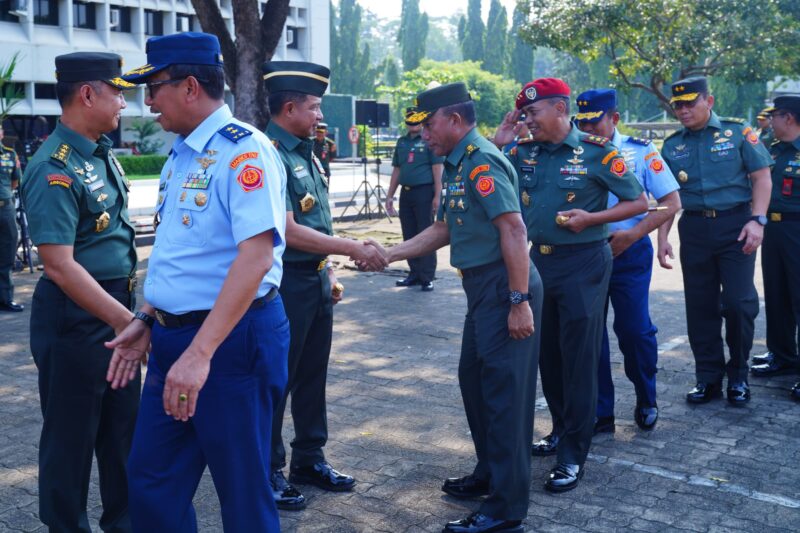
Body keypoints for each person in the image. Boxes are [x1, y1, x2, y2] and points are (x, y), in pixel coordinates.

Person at [107, 32, 290, 531]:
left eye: (155, 87)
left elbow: (255, 258)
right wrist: (147, 316)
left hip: (229, 344)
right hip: (173, 343)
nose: (148, 102)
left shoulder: (244, 153)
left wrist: (200, 353)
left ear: (190, 87)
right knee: (151, 485)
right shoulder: (181, 154)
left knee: (243, 492)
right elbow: (177, 254)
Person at [370, 82, 541, 533]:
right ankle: (490, 471)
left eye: (428, 125)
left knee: (505, 397)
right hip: (481, 290)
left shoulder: (482, 161)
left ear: (454, 120)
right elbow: (443, 227)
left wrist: (519, 301)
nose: (423, 133)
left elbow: (515, 230)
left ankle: (506, 508)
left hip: (504, 286)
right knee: (475, 382)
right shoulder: (460, 161)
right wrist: (391, 254)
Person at [495, 78, 647, 492]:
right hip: (538, 263)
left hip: (584, 264)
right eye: (523, 114)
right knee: (548, 356)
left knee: (579, 358)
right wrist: (501, 139)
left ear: (560, 109)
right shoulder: (522, 152)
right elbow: (488, 177)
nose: (528, 120)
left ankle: (573, 455)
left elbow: (639, 203)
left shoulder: (597, 153)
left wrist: (592, 219)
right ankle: (561, 429)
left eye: (534, 112)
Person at [21, 52, 138, 532]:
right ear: (87, 94)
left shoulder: (100, 151)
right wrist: (125, 323)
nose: (124, 103)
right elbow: (60, 267)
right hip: (76, 320)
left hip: (114, 312)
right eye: (117, 92)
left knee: (122, 434)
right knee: (71, 440)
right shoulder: (53, 166)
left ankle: (126, 524)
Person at [263, 60, 387, 511]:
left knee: (312, 377)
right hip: (285, 285)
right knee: (280, 378)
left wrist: (330, 265)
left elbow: (318, 219)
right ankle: (268, 468)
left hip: (314, 280)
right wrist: (353, 247)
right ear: (289, 106)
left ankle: (308, 458)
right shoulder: (269, 154)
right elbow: (288, 229)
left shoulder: (305, 151)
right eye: (314, 107)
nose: (320, 116)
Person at [573, 89, 681, 433]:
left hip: (629, 252)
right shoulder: (573, 153)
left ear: (614, 118)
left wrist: (633, 236)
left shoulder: (639, 150)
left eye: (596, 122)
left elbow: (671, 201)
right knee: (590, 336)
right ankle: (601, 411)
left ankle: (646, 397)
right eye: (583, 122)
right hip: (585, 254)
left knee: (634, 331)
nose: (589, 129)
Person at [661, 76, 772, 405]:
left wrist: (758, 220)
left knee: (738, 304)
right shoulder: (671, 145)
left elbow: (762, 177)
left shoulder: (738, 133)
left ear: (708, 102)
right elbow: (669, 197)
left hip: (736, 226)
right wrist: (662, 237)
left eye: (689, 103)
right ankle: (708, 378)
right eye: (677, 105)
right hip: (693, 230)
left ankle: (738, 374)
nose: (682, 111)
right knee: (700, 306)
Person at [748, 94, 800, 393]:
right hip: (775, 229)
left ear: (788, 118)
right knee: (777, 295)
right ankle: (783, 356)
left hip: (798, 228)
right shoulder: (774, 149)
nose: (772, 121)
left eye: (776, 116)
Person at [385, 106, 444, 291]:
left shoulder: (428, 140)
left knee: (426, 232)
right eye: (410, 119)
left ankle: (427, 276)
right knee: (409, 233)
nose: (413, 122)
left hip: (424, 192)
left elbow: (437, 169)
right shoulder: (401, 142)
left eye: (416, 119)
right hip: (406, 192)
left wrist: (437, 195)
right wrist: (389, 195)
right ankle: (414, 273)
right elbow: (397, 169)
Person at [0, 125, 23, 312]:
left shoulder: (9, 154)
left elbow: (15, 181)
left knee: (7, 254)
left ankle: (5, 299)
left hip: (5, 208)